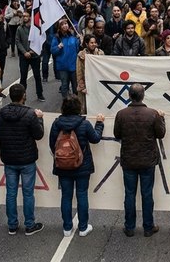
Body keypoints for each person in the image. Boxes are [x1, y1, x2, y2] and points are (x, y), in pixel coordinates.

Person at [113, 83, 166, 237]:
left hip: (129, 160)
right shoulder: (153, 114)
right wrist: (162, 119)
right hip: (147, 160)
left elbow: (117, 134)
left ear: (129, 96)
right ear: (143, 95)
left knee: (129, 194)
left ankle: (129, 227)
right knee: (147, 194)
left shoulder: (121, 114)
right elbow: (160, 134)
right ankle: (148, 227)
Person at [49, 94, 105, 237]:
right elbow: (95, 139)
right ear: (79, 108)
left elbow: (52, 144)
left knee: (66, 196)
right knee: (82, 195)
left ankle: (67, 228)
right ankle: (83, 227)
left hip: (62, 166)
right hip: (82, 166)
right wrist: (99, 124)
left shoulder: (56, 124)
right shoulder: (84, 124)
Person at [0, 83, 45, 236]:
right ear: (24, 96)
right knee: (28, 193)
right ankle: (29, 224)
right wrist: (40, 119)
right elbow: (38, 135)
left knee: (11, 193)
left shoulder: (0, 114)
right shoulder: (30, 115)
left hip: (9, 158)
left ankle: (12, 225)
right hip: (27, 158)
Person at [15, 11, 45, 102]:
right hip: (24, 56)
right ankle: (21, 96)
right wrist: (24, 52)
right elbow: (17, 41)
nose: (25, 18)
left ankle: (40, 94)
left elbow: (40, 40)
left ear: (30, 17)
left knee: (37, 76)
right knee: (23, 77)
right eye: (23, 16)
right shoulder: (19, 28)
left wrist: (35, 50)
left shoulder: (35, 29)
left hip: (35, 56)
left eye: (26, 16)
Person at [52, 19, 80, 98]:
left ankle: (76, 102)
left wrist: (80, 41)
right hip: (62, 66)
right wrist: (58, 47)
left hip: (73, 65)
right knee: (64, 85)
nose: (65, 25)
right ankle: (66, 101)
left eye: (66, 23)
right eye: (62, 24)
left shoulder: (73, 37)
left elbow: (78, 49)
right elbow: (53, 51)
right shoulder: (57, 38)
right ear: (59, 27)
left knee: (75, 85)